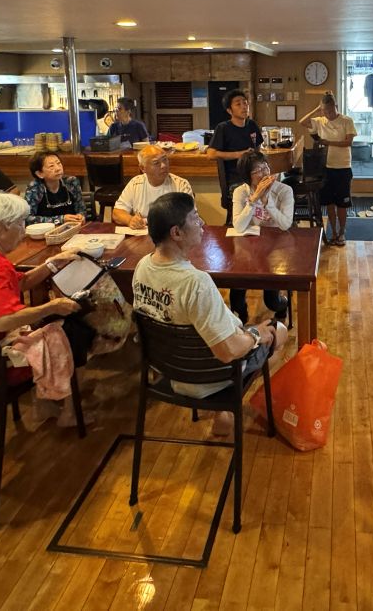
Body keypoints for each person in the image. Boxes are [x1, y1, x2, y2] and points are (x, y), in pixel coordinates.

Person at [132, 192, 286, 436]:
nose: (202, 222)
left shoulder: (142, 267)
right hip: (207, 375)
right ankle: (234, 405)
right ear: (176, 233)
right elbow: (228, 352)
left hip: (169, 369)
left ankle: (222, 416)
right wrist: (257, 334)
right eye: (195, 218)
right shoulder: (195, 282)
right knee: (279, 331)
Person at [0, 193, 96, 384]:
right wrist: (52, 306)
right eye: (19, 223)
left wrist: (52, 263)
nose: (24, 229)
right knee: (76, 329)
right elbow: (2, 321)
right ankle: (65, 401)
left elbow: (21, 282)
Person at [229, 150, 293, 323]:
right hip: (248, 248)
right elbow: (238, 226)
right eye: (257, 171)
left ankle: (283, 306)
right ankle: (242, 318)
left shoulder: (284, 191)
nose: (264, 173)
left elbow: (285, 224)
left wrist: (267, 203)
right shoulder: (240, 192)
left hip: (276, 248)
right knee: (236, 296)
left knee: (272, 301)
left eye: (265, 167)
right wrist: (254, 199)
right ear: (247, 176)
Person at [298, 92, 357, 245]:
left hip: (343, 167)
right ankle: (334, 232)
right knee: (329, 203)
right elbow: (302, 121)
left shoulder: (346, 121)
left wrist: (328, 142)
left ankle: (342, 232)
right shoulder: (320, 121)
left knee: (342, 204)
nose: (328, 114)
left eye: (330, 111)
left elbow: (348, 142)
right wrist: (317, 109)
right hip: (325, 168)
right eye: (325, 111)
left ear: (336, 107)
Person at [206, 89, 262, 223]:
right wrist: (239, 154)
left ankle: (266, 227)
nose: (244, 106)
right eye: (238, 104)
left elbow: (258, 149)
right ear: (229, 110)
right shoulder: (223, 128)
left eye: (245, 103)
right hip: (236, 179)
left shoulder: (252, 125)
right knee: (253, 200)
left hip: (254, 176)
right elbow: (211, 154)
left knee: (276, 192)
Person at [112, 144, 194, 230]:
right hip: (142, 233)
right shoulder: (135, 184)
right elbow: (117, 212)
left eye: (165, 159)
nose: (163, 165)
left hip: (170, 233)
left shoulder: (181, 185)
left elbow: (190, 216)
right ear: (143, 168)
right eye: (156, 163)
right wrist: (130, 220)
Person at [24, 150, 88, 225]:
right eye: (51, 166)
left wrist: (81, 216)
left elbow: (81, 209)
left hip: (72, 227)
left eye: (58, 163)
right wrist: (60, 219)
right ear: (39, 174)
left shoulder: (71, 182)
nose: (58, 168)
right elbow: (27, 219)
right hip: (46, 230)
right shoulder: (34, 188)